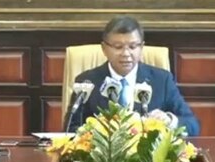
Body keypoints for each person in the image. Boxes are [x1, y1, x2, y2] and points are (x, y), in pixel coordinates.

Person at [68, 15, 200, 136]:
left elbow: (192, 125)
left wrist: (169, 120)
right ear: (104, 48)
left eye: (132, 47)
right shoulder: (87, 82)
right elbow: (70, 129)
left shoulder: (162, 80)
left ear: (141, 47)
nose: (126, 53)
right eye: (118, 47)